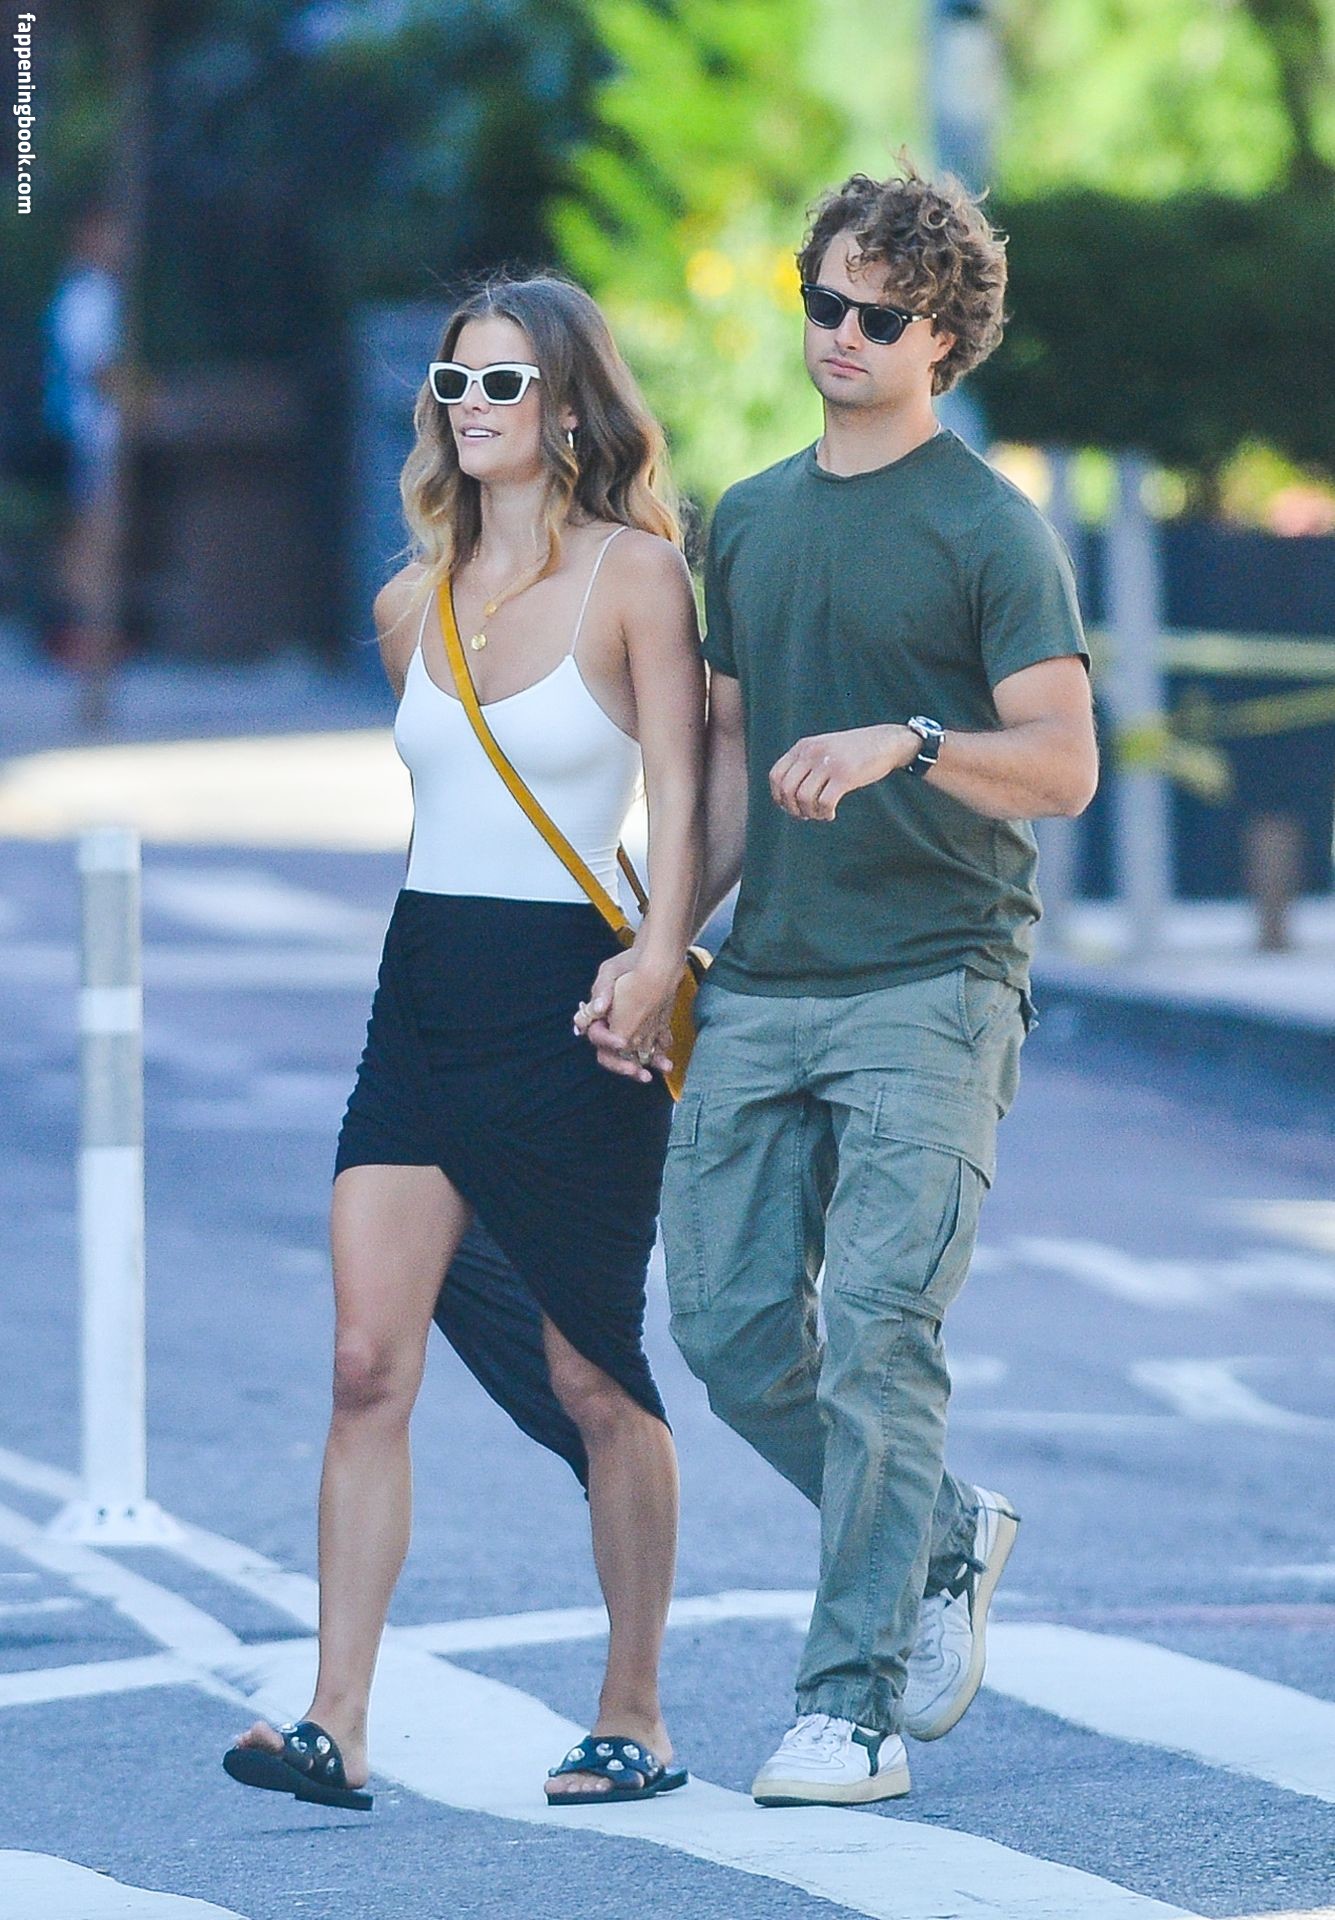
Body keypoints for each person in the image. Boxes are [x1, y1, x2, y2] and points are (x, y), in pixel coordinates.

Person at [584, 161, 1098, 1806]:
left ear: (945, 337)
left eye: (884, 315)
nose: (845, 335)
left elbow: (1066, 764)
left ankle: (849, 1704)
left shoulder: (989, 527)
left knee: (879, 1335)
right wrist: (662, 947)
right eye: (826, 302)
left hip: (937, 981)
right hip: (767, 983)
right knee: (731, 1332)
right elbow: (730, 769)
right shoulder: (747, 518)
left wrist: (914, 742)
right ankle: (939, 1528)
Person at [224, 273, 704, 1810]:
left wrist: (655, 962)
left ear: (567, 407)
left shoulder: (639, 576)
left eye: (506, 383)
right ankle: (335, 1721)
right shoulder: (406, 605)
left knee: (592, 1375)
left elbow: (684, 799)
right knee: (366, 1362)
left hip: (573, 1008)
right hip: (423, 998)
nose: (476, 407)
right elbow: (455, 814)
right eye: (456, 384)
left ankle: (635, 1713)